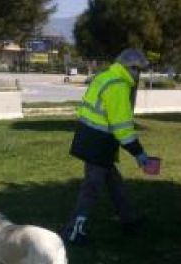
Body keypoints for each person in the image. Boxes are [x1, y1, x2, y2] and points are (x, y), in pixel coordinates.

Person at [61, 48, 151, 245]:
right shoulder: (119, 86)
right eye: (138, 70)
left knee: (114, 183)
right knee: (92, 187)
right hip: (98, 143)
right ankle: (73, 231)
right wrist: (140, 154)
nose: (139, 76)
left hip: (88, 136)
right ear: (131, 68)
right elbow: (123, 129)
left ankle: (129, 220)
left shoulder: (106, 77)